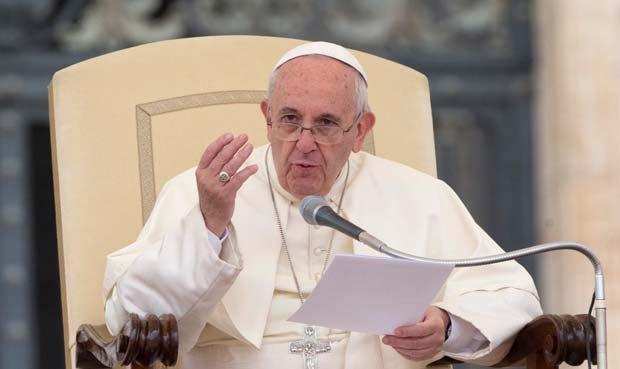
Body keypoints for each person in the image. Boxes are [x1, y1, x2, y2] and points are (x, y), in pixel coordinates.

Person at [103, 42, 542, 369]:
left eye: (327, 124)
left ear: (361, 130)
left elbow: (511, 294)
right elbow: (132, 318)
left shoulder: (421, 196)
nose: (305, 143)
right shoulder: (203, 193)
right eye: (290, 120)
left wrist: (446, 326)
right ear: (267, 117)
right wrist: (209, 225)